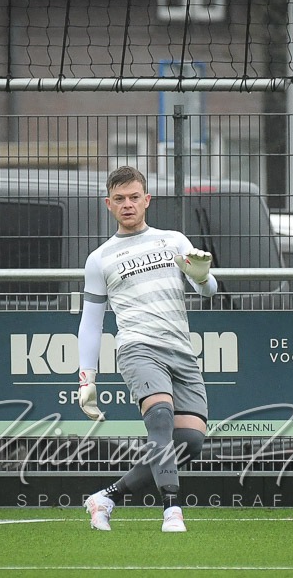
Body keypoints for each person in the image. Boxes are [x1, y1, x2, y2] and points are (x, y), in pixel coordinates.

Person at [77, 165, 217, 533]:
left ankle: (106, 497)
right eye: (119, 199)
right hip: (137, 347)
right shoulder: (99, 258)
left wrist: (202, 276)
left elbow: (208, 290)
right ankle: (172, 510)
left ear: (147, 200)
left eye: (134, 197)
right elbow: (91, 321)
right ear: (108, 204)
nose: (127, 204)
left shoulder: (173, 241)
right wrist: (86, 377)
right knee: (160, 419)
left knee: (189, 441)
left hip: (181, 350)